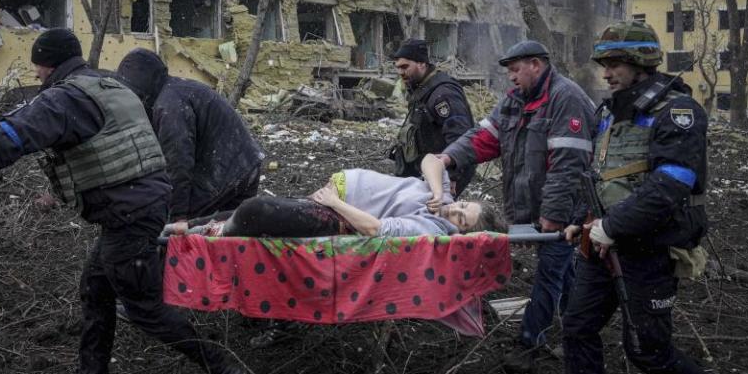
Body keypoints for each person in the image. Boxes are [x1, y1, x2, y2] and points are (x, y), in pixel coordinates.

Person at [0, 29, 244, 374]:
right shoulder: (108, 84)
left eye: (37, 68)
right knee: (96, 288)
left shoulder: (65, 100)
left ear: (49, 65)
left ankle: (224, 371)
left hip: (129, 212)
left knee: (144, 308)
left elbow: (5, 139)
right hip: (138, 205)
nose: (35, 76)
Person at [541, 21, 748, 374]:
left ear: (641, 63)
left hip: (648, 251)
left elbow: (670, 185)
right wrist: (581, 221)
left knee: (647, 350)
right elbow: (601, 178)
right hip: (601, 248)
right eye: (604, 64)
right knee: (577, 329)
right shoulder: (610, 113)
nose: (607, 73)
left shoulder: (677, 112)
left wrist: (611, 227)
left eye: (615, 63)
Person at [438, 40, 595, 372]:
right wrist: (448, 157)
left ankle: (529, 341)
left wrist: (552, 216)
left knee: (550, 273)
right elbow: (483, 138)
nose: (510, 77)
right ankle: (578, 329)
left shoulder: (567, 100)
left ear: (536, 65)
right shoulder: (514, 101)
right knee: (564, 270)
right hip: (535, 207)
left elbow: (568, 166)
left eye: (515, 70)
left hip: (565, 209)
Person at [168, 155, 503, 238]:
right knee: (245, 210)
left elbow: (375, 229)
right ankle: (177, 226)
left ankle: (203, 234)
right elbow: (432, 159)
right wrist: (435, 190)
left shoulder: (431, 230)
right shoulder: (440, 199)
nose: (453, 210)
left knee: (256, 210)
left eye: (461, 218)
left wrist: (334, 202)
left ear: (461, 233)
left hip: (339, 215)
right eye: (462, 205)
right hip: (335, 196)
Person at [116, 48, 264, 221]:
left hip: (228, 170)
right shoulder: (174, 91)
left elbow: (178, 163)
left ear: (142, 89)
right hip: (242, 164)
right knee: (226, 234)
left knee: (177, 227)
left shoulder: (169, 105)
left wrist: (177, 216)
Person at [390, 38, 476, 196]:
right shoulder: (421, 88)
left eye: (405, 67)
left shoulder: (442, 94)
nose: (400, 72)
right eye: (398, 68)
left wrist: (452, 175)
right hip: (427, 169)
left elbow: (460, 136)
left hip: (443, 171)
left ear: (422, 63)